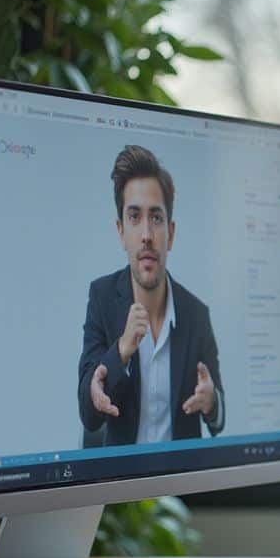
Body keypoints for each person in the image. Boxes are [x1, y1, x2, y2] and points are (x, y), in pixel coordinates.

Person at [78, 144, 225, 446]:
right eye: (134, 217)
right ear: (121, 232)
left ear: (170, 233)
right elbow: (89, 414)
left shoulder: (197, 314)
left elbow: (218, 418)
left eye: (156, 218)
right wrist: (121, 350)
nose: (146, 234)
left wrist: (211, 402)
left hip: (176, 484)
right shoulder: (102, 297)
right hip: (120, 486)